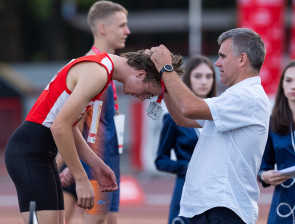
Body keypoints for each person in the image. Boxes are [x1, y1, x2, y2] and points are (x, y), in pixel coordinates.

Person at [5, 47, 183, 224]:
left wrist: (96, 164)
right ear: (140, 74)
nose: (143, 98)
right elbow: (60, 127)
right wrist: (81, 178)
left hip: (39, 154)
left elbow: (70, 126)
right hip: (29, 152)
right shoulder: (98, 73)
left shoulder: (102, 71)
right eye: (148, 92)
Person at [149, 27, 270, 224]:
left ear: (242, 59)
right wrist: (164, 81)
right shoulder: (236, 96)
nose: (217, 63)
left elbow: (188, 107)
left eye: (222, 56)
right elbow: (182, 118)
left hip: (224, 209)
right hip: (212, 207)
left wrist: (166, 68)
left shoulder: (248, 97)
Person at [58, 1, 131, 224]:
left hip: (94, 161)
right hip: (91, 163)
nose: (127, 31)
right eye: (122, 25)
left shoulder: (103, 67)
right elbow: (73, 121)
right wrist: (72, 166)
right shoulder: (95, 70)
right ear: (102, 28)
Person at [155, 55, 217, 224]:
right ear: (188, 78)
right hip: (185, 190)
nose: (204, 81)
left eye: (208, 76)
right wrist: (187, 167)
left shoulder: (221, 114)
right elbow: (160, 160)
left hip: (215, 192)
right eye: (198, 76)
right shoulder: (173, 119)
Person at [257, 60, 295, 224]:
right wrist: (265, 176)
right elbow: (262, 167)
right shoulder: (272, 124)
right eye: (289, 80)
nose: (294, 86)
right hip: (284, 207)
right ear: (282, 84)